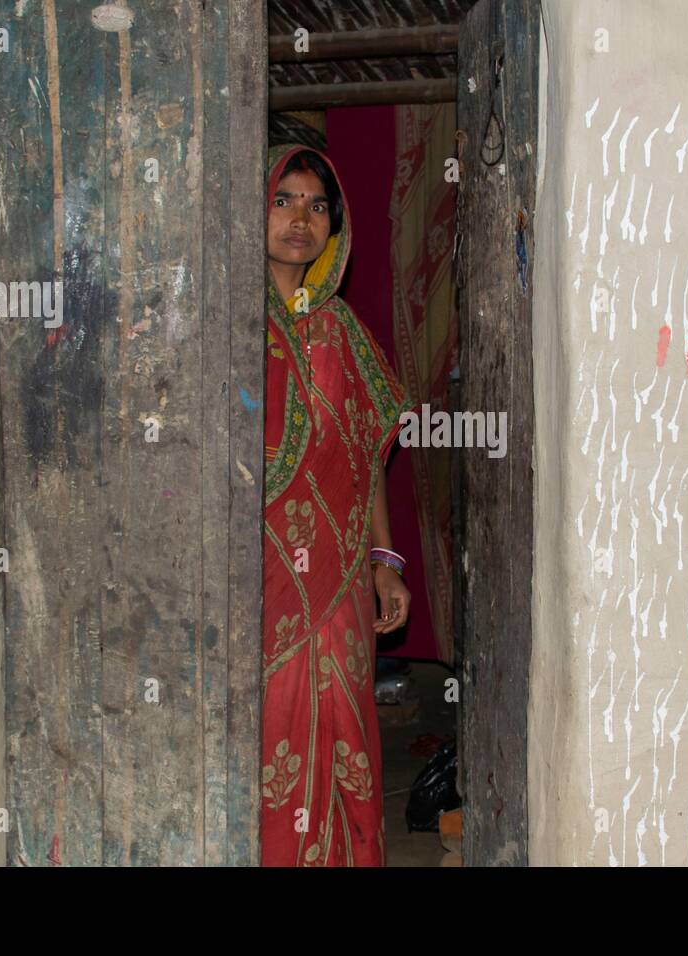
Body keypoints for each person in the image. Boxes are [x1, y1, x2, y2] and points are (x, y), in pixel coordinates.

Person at [260, 143, 415, 866]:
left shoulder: (341, 330)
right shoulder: (227, 326)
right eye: (283, 200)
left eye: (318, 205)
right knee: (271, 733)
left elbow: (367, 456)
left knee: (346, 730)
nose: (301, 219)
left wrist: (385, 560)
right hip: (262, 581)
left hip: (343, 577)